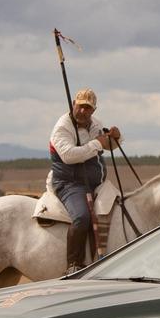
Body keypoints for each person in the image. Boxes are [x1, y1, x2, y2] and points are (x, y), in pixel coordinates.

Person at [49, 88, 120, 270]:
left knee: (121, 209)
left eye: (87, 108)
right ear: (74, 104)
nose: (82, 111)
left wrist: (116, 138)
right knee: (81, 217)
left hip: (97, 183)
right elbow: (69, 155)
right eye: (80, 106)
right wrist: (97, 143)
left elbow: (107, 145)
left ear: (93, 110)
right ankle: (73, 263)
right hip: (69, 183)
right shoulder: (62, 127)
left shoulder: (95, 124)